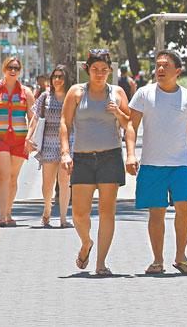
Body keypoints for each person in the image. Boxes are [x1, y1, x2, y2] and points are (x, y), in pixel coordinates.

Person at [125, 49, 187, 275]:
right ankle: (157, 260)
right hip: (152, 164)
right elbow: (131, 125)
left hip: (181, 165)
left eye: (166, 66)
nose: (160, 69)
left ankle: (181, 257)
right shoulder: (143, 94)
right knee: (156, 213)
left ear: (177, 71)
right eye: (158, 65)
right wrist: (130, 154)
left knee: (184, 210)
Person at [60, 49, 130, 276]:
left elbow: (128, 123)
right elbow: (65, 123)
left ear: (110, 70)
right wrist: (65, 152)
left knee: (106, 212)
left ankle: (101, 263)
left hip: (110, 156)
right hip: (82, 157)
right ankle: (86, 242)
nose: (99, 74)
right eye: (95, 70)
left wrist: (118, 112)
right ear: (87, 70)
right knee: (79, 214)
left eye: (104, 70)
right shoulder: (77, 92)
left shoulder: (117, 93)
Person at [0, 57, 35, 227]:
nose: (13, 70)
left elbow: (33, 118)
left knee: (13, 177)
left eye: (16, 68)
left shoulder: (26, 92)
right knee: (3, 176)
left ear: (20, 71)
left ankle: (9, 212)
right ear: (4, 69)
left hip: (20, 139)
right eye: (10, 67)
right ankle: (2, 216)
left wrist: (30, 138)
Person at [26, 65, 74, 228]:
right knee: (48, 183)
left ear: (66, 79)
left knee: (65, 181)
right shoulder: (45, 96)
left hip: (67, 142)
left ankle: (63, 218)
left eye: (61, 77)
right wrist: (28, 137)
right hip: (48, 142)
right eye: (55, 77)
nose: (57, 80)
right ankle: (47, 210)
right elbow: (35, 118)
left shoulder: (71, 96)